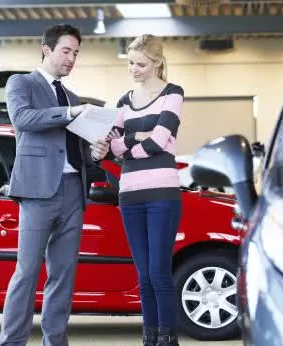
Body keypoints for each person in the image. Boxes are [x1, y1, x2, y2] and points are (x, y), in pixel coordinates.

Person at [0, 24, 110, 346]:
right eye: (66, 51)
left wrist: (96, 153)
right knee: (27, 272)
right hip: (37, 193)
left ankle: (55, 341)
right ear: (46, 49)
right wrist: (70, 111)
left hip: (74, 191)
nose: (72, 58)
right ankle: (12, 343)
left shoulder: (73, 98)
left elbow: (80, 153)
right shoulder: (22, 84)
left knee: (63, 275)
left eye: (76, 53)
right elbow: (23, 119)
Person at [108, 34, 184, 346]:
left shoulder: (173, 94)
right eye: (131, 63)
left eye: (141, 64)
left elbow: (159, 140)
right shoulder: (123, 101)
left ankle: (167, 337)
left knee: (159, 273)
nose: (134, 69)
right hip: (130, 194)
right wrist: (137, 139)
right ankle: (149, 338)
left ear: (157, 64)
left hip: (162, 193)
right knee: (142, 276)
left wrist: (129, 142)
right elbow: (113, 147)